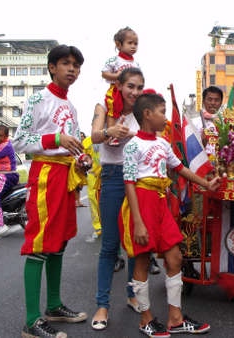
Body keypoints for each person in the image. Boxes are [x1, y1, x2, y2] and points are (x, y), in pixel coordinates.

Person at [121, 93, 220, 337]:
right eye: (162, 112)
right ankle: (146, 319)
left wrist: (206, 184)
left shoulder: (163, 144)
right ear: (147, 114)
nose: (165, 118)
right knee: (142, 259)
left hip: (160, 204)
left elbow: (181, 168)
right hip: (141, 204)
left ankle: (175, 318)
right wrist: (138, 223)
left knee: (175, 257)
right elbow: (130, 184)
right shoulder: (133, 145)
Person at [13, 45, 90, 338]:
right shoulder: (37, 99)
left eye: (76, 65)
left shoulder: (70, 106)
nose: (72, 69)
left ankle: (54, 306)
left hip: (66, 177)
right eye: (66, 63)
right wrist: (56, 137)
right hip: (45, 175)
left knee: (59, 242)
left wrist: (82, 157)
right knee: (40, 244)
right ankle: (32, 321)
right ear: (52, 67)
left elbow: (74, 141)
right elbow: (19, 142)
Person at [90, 67, 144, 330]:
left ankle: (133, 295)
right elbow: (94, 136)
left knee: (134, 243)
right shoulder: (104, 107)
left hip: (139, 179)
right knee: (110, 247)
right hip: (112, 178)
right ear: (120, 86)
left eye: (139, 87)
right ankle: (102, 305)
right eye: (130, 86)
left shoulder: (142, 110)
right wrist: (112, 132)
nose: (135, 92)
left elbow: (154, 137)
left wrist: (132, 135)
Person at [102, 27, 140, 146]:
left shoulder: (135, 63)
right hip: (116, 90)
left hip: (131, 93)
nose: (133, 46)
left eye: (136, 44)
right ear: (118, 44)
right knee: (113, 109)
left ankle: (138, 133)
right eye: (130, 43)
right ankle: (112, 135)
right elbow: (104, 73)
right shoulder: (114, 60)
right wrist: (116, 76)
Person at [82, 135, 102, 239]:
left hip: (108, 174)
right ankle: (98, 226)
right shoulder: (86, 142)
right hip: (93, 175)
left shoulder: (108, 136)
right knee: (93, 200)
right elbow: (84, 158)